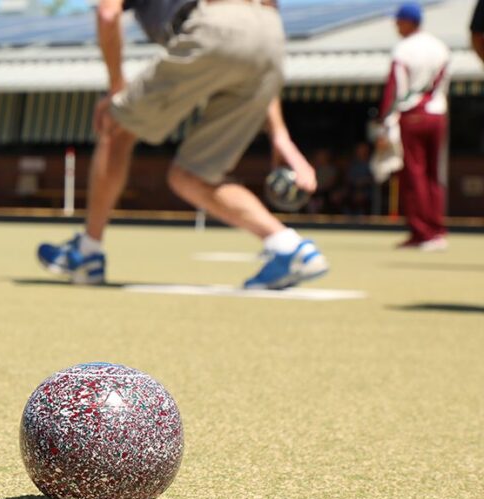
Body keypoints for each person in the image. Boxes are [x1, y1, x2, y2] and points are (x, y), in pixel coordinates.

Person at [37, 0, 327, 290]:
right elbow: (250, 38)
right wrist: (280, 135)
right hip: (270, 33)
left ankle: (87, 252)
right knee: (192, 176)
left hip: (214, 25)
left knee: (116, 127)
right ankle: (289, 247)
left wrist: (116, 90)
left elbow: (108, 13)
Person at [377, 3, 450, 251]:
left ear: (408, 22)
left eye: (398, 21)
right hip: (437, 113)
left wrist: (386, 123)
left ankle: (423, 232)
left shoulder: (404, 49)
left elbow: (395, 88)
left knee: (414, 174)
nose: (395, 25)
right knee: (433, 174)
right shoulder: (440, 47)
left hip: (412, 114)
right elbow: (443, 84)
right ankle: (436, 230)